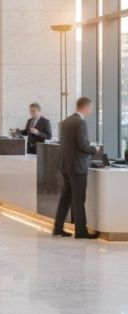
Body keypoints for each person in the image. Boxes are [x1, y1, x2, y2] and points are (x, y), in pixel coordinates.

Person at [52, 96, 98, 240]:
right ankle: (80, 231)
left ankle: (58, 228)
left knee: (65, 197)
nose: (91, 110)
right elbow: (82, 145)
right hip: (77, 166)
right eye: (90, 107)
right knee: (78, 199)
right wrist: (94, 149)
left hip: (65, 165)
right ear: (85, 107)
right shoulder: (80, 122)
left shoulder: (66, 121)